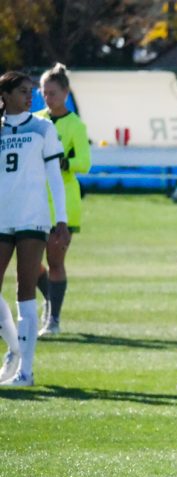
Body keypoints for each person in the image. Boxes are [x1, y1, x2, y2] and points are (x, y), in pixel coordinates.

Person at [0, 71, 69, 387]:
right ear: (6, 95)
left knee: (24, 289)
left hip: (33, 218)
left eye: (31, 91)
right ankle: (14, 351)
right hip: (2, 217)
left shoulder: (43, 127)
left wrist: (62, 220)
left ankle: (25, 371)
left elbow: (55, 177)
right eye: (23, 91)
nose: (30, 97)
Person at [33, 63, 91, 337]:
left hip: (64, 202)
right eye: (44, 92)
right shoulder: (36, 120)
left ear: (65, 93)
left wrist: (63, 162)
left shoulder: (75, 124)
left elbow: (85, 163)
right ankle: (50, 299)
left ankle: (53, 319)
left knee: (55, 261)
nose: (48, 97)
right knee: (29, 262)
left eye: (53, 92)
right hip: (32, 199)